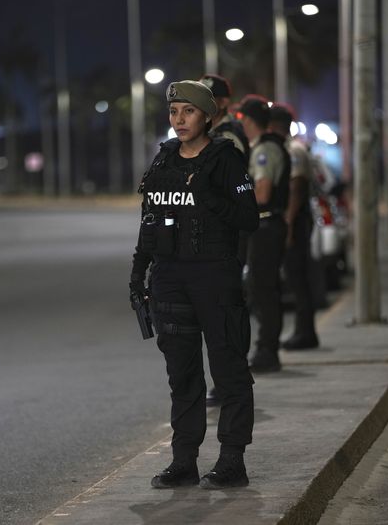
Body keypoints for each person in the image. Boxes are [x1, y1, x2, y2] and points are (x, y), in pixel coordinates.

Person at [129, 80, 259, 489]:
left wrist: (209, 198)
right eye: (174, 111)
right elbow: (150, 221)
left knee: (229, 369)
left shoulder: (225, 159)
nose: (179, 119)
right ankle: (183, 461)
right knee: (182, 375)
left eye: (188, 111)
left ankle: (232, 461)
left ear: (206, 116)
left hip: (214, 277)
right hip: (170, 279)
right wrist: (138, 272)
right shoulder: (164, 159)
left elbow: (249, 218)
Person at [199, 73, 250, 407]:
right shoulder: (215, 134)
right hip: (217, 233)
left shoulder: (228, 136)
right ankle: (229, 381)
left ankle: (231, 382)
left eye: (208, 98)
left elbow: (235, 186)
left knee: (225, 310)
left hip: (228, 233)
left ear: (223, 103)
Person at [238, 95, 290, 373]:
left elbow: (262, 194)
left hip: (266, 225)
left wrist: (234, 199)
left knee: (263, 289)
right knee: (263, 288)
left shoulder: (265, 150)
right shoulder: (264, 146)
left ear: (248, 120)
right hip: (265, 225)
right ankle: (267, 348)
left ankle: (267, 350)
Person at [269, 103, 320, 350]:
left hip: (296, 219)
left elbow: (296, 188)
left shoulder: (294, 149)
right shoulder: (287, 148)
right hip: (293, 218)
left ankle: (306, 333)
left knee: (298, 276)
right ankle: (302, 331)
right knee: (294, 276)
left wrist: (288, 224)